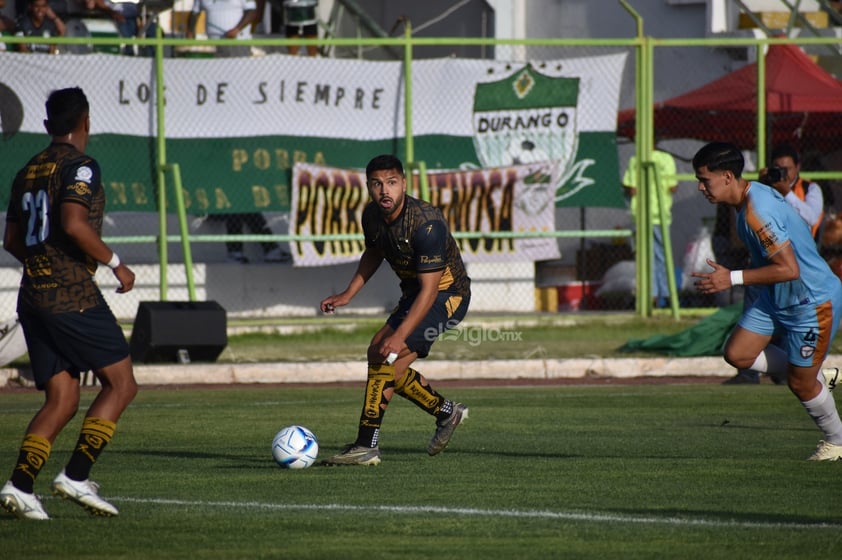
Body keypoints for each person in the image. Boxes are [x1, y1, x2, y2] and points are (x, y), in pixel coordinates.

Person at [0, 87, 139, 519]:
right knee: (121, 383)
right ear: (87, 123)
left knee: (61, 398)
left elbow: (11, 240)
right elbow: (74, 224)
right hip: (72, 293)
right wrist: (117, 264)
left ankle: (20, 486)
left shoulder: (26, 170)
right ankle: (76, 476)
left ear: (46, 126)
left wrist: (41, 264)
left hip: (33, 296)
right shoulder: (81, 166)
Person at [691, 141, 842, 461]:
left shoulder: (757, 212)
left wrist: (731, 277)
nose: (700, 187)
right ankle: (813, 374)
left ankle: (837, 440)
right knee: (738, 353)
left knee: (800, 386)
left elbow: (789, 268)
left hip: (811, 301)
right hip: (778, 296)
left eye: (705, 180)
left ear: (729, 176)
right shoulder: (749, 197)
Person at [320, 154, 471, 466]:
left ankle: (366, 445)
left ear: (404, 183)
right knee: (380, 356)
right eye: (376, 184)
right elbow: (374, 250)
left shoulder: (426, 224)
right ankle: (446, 413)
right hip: (416, 294)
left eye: (391, 182)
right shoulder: (372, 216)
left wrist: (400, 335)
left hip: (447, 296)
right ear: (368, 187)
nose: (384, 190)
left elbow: (431, 291)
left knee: (387, 356)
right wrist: (349, 293)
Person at [622, 148, 678, 308]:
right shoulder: (667, 158)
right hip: (660, 214)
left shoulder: (636, 159)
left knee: (645, 257)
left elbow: (631, 188)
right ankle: (668, 296)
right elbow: (673, 187)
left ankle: (650, 295)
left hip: (641, 214)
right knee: (663, 256)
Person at [762, 142, 825, 243]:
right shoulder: (766, 188)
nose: (783, 173)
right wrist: (761, 186)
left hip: (804, 247)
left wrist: (787, 193)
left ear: (797, 167)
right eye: (778, 169)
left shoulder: (810, 188)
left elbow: (812, 218)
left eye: (787, 169)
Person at [187, 0, 257, 58]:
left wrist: (237, 29)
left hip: (238, 42)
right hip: (213, 44)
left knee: (238, 70)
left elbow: (252, 12)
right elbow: (194, 13)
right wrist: (190, 30)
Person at [219, 213, 290, 263]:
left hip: (236, 205)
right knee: (236, 210)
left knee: (247, 208)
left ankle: (271, 250)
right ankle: (234, 253)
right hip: (218, 208)